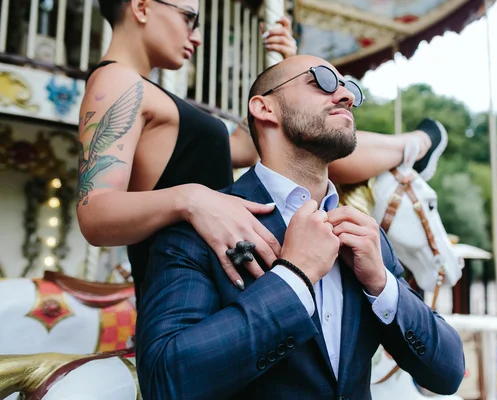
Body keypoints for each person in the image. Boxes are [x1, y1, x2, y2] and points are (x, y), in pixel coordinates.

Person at [135, 55, 464, 400]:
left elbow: (448, 374)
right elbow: (164, 380)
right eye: (321, 80)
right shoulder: (198, 228)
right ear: (265, 108)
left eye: (349, 88)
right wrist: (294, 278)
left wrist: (383, 287)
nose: (346, 96)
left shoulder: (366, 237)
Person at [78, 0, 447, 302]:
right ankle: (413, 146)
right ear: (141, 7)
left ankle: (411, 146)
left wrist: (286, 72)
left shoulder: (150, 93)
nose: (197, 35)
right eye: (189, 18)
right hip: (188, 290)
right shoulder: (118, 80)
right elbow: (95, 213)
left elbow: (242, 147)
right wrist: (193, 200)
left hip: (221, 281)